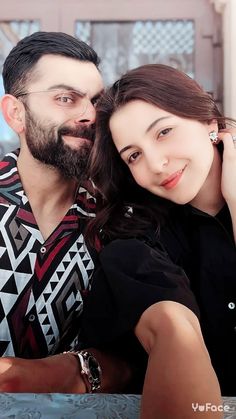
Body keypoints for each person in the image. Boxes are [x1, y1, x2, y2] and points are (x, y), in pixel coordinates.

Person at [82, 63, 236, 418]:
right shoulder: (137, 245)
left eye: (164, 132)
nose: (156, 163)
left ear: (209, 122)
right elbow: (173, 334)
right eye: (133, 155)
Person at [0, 31, 131, 394]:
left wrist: (73, 372)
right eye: (65, 98)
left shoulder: (117, 222)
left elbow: (134, 360)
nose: (90, 115)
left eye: (96, 101)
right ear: (15, 112)